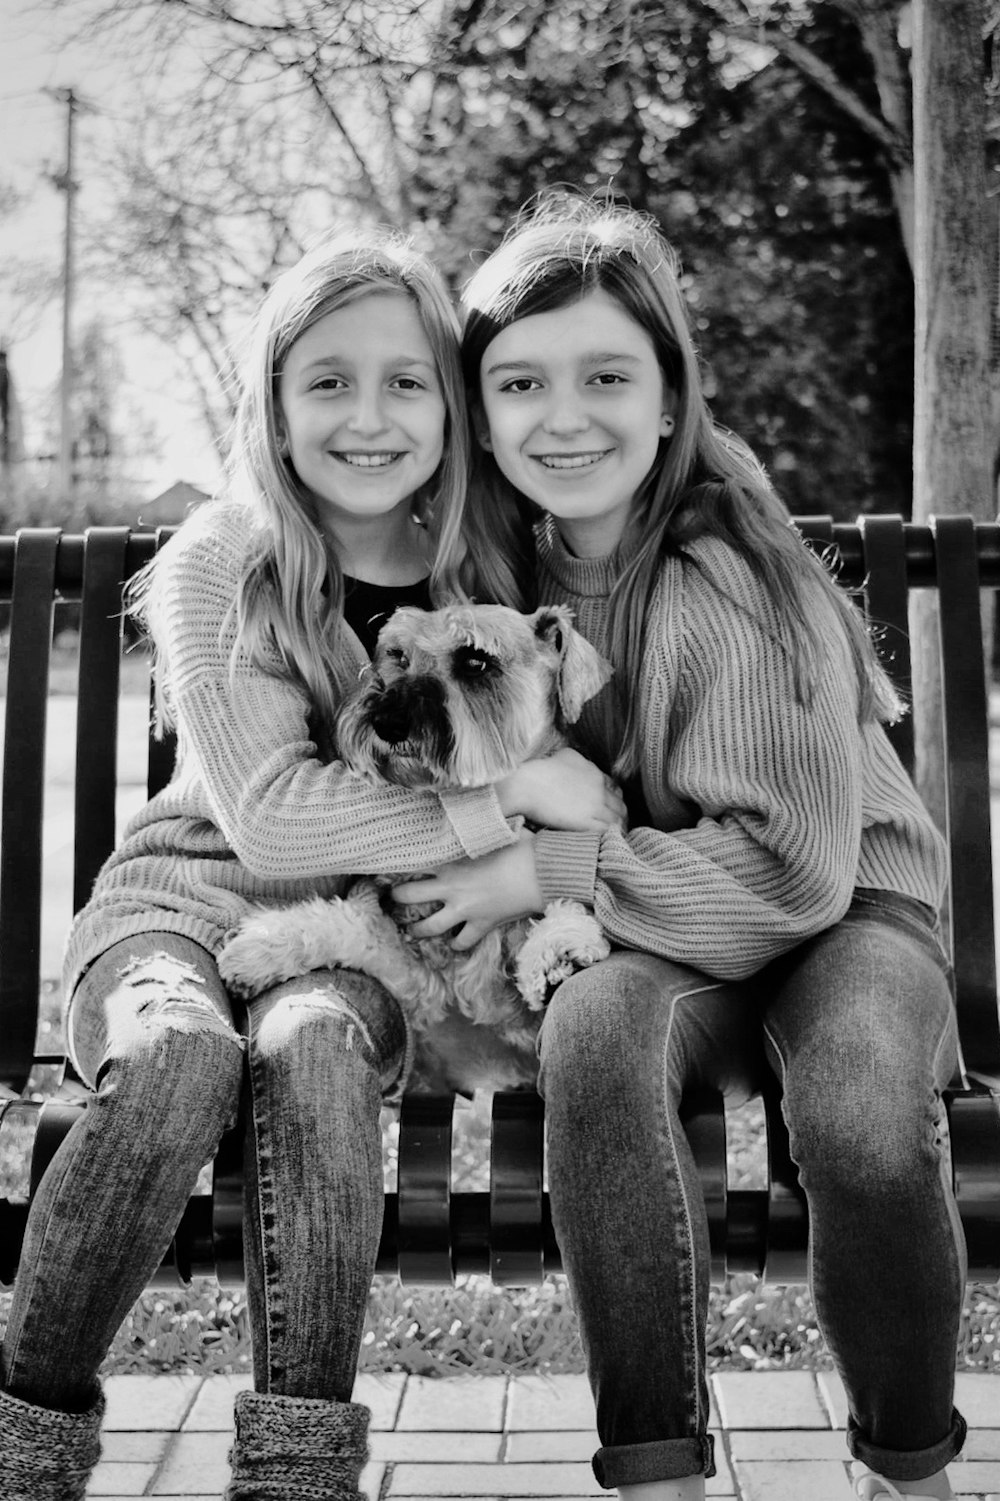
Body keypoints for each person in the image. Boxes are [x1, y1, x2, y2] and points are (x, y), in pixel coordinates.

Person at [0, 228, 623, 1501]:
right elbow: (273, 822)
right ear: (275, 408)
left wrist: (542, 832)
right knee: (178, 1053)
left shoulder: (484, 580)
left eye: (405, 382)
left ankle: (295, 1473)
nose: (369, 416)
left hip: (356, 941)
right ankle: (23, 1449)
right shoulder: (220, 559)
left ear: (448, 411)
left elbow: (591, 803)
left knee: (313, 1051)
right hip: (175, 909)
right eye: (327, 381)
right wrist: (500, 797)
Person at [393, 193, 967, 1501]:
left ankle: (909, 1467)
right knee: (597, 1028)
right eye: (522, 381)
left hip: (842, 910)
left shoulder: (727, 578)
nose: (567, 414)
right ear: (481, 413)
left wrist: (546, 872)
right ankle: (658, 1475)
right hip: (669, 921)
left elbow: (791, 875)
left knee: (863, 1105)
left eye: (609, 374)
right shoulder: (494, 577)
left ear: (670, 403)